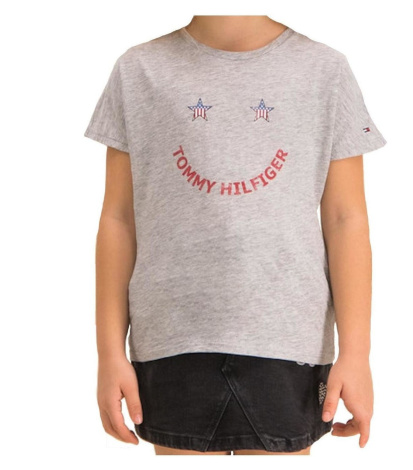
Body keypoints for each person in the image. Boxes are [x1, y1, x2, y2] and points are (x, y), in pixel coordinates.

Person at [84, 15, 387, 455]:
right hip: (171, 339)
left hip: (289, 341)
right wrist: (108, 353)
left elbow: (346, 220)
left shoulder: (326, 70)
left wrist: (357, 354)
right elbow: (118, 219)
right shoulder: (138, 70)